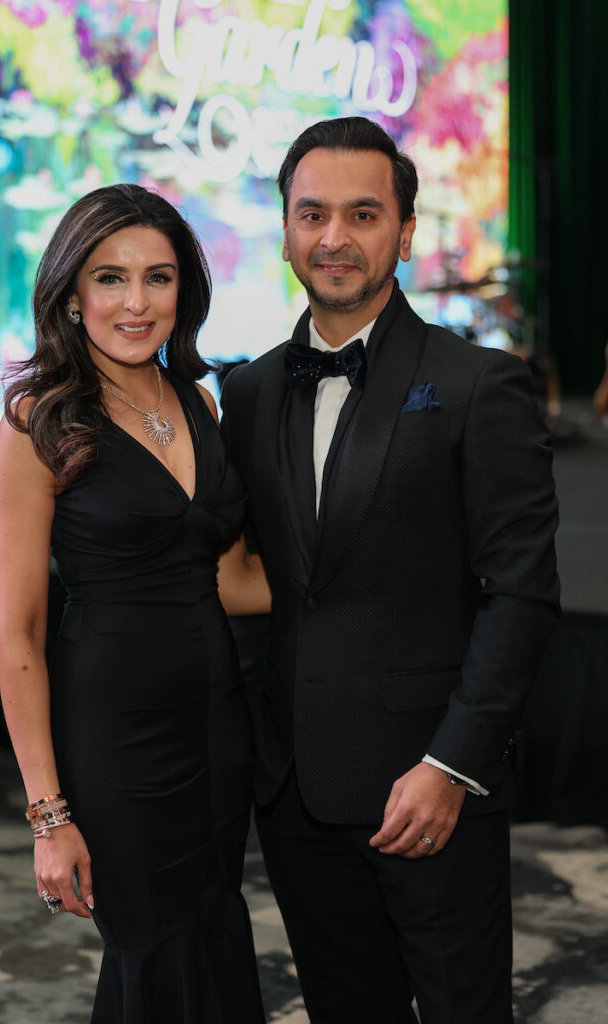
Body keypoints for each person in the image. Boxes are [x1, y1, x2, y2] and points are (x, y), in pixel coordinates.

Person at [220, 117, 560, 1024]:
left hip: (431, 793)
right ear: (286, 228)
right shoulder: (247, 392)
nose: (334, 238)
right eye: (313, 214)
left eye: (362, 214)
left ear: (404, 232)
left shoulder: (480, 383)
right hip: (294, 798)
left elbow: (521, 593)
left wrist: (451, 764)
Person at [0, 183, 269, 1024]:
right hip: (116, 736)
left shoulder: (197, 401)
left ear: (187, 290)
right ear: (72, 294)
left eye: (159, 277)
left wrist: (368, 581)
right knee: (154, 947)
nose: (136, 302)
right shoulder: (38, 421)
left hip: (218, 722)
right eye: (109, 278)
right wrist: (48, 816)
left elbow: (225, 581)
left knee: (214, 929)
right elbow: (19, 635)